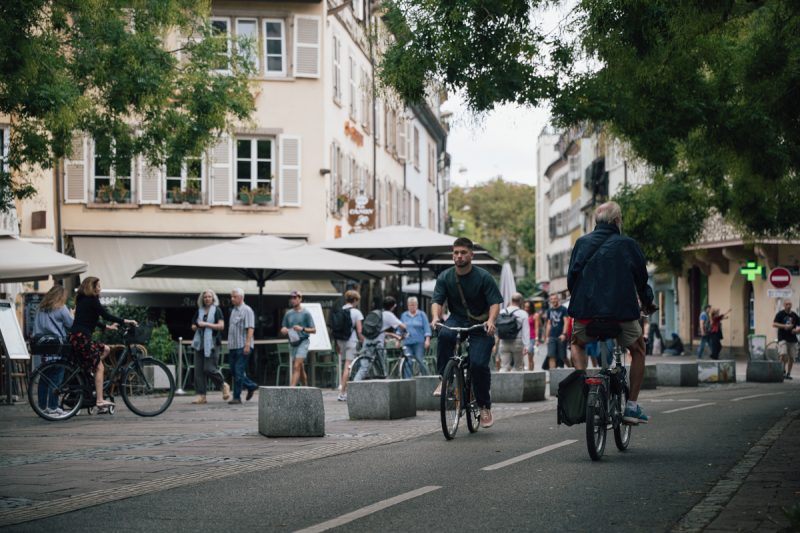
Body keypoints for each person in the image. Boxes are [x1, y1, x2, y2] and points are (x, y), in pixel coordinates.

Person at [566, 201, 655, 425]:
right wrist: (646, 303)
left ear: (596, 222)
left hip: (586, 313)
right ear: (617, 221)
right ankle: (632, 406)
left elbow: (572, 278)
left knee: (577, 343)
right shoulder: (628, 244)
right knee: (639, 350)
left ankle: (583, 384)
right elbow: (641, 280)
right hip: (622, 312)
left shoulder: (582, 243)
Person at [431, 237, 503, 428]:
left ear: (472, 254)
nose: (459, 256)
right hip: (457, 318)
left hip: (480, 323)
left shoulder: (483, 277)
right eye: (456, 253)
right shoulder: (445, 277)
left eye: (463, 253)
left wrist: (491, 321)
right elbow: (437, 301)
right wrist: (436, 318)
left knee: (479, 365)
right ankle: (444, 378)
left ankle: (484, 406)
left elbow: (495, 302)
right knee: (444, 334)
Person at [68, 277, 137, 409]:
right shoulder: (92, 300)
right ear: (92, 287)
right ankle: (99, 400)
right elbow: (106, 315)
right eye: (98, 286)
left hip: (76, 337)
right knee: (100, 367)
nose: (100, 288)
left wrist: (107, 327)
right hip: (82, 338)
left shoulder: (82, 300)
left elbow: (89, 319)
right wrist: (126, 321)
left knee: (106, 349)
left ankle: (89, 369)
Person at [32, 285, 74, 415]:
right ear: (61, 296)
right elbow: (71, 325)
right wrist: (72, 314)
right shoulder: (61, 308)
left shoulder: (40, 308)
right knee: (56, 377)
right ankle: (53, 406)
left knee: (44, 378)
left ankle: (42, 407)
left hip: (42, 348)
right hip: (56, 348)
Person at [190, 289, 231, 404]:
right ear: (202, 299)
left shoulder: (217, 310)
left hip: (212, 342)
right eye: (205, 297)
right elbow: (194, 324)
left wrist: (206, 324)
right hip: (199, 342)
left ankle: (223, 385)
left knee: (208, 368)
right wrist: (194, 327)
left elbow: (221, 326)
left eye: (209, 297)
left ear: (213, 299)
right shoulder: (199, 311)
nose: (207, 298)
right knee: (198, 370)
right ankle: (201, 395)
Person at [352, 296, 406, 381]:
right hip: (378, 343)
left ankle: (354, 385)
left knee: (364, 367)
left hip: (367, 339)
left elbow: (380, 330)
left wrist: (391, 334)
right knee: (383, 365)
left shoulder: (377, 313)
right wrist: (405, 334)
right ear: (393, 306)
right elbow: (403, 326)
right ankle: (384, 381)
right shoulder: (389, 315)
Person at [227, 288, 258, 404]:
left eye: (234, 296)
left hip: (243, 345)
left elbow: (251, 327)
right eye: (231, 296)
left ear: (241, 297)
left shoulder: (247, 310)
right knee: (233, 371)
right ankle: (251, 385)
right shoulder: (233, 310)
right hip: (233, 346)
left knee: (238, 371)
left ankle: (236, 397)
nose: (232, 299)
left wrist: (248, 344)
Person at [280, 289, 316, 387]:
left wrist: (302, 328)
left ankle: (291, 391)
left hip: (303, 341)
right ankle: (305, 388)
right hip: (292, 342)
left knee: (296, 366)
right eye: (291, 298)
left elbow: (314, 330)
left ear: (300, 298)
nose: (293, 300)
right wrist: (283, 330)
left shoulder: (306, 313)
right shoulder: (288, 313)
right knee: (300, 367)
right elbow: (284, 326)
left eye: (295, 298)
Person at [336, 289, 364, 401]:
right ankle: (342, 392)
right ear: (355, 300)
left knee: (344, 366)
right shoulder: (356, 312)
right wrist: (364, 341)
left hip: (340, 341)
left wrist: (336, 344)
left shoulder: (340, 310)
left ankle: (343, 389)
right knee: (348, 366)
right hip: (351, 341)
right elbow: (359, 330)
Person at [496, 293, 529, 372]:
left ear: (511, 300)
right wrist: (526, 346)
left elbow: (497, 328)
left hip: (503, 341)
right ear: (521, 301)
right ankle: (516, 384)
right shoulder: (523, 313)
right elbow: (525, 331)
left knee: (504, 366)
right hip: (517, 341)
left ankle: (502, 384)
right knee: (518, 367)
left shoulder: (502, 312)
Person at [400, 296, 431, 378]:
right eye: (410, 305)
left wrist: (427, 340)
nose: (412, 306)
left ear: (417, 305)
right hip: (407, 342)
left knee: (419, 360)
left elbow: (427, 328)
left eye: (414, 305)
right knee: (407, 361)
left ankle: (426, 377)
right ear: (408, 305)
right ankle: (408, 380)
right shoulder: (404, 315)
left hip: (419, 342)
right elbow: (400, 328)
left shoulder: (422, 314)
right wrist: (398, 339)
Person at [772, 299, 799, 379]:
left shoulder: (794, 315)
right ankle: (781, 370)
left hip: (792, 339)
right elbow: (774, 324)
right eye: (787, 304)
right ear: (784, 305)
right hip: (782, 338)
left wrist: (797, 330)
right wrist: (785, 326)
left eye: (790, 304)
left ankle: (788, 373)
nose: (788, 306)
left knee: (792, 357)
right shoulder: (780, 314)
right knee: (783, 354)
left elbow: (799, 325)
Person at [541, 294, 569, 369]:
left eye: (555, 299)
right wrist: (547, 337)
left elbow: (566, 322)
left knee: (563, 357)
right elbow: (549, 324)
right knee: (551, 355)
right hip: (552, 336)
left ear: (558, 299)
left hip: (561, 336)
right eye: (552, 299)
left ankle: (572, 369)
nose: (553, 300)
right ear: (550, 301)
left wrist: (564, 334)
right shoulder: (549, 310)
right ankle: (552, 375)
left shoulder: (563, 309)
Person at [524, 301, 539, 370]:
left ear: (531, 307)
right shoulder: (523, 314)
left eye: (528, 307)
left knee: (530, 356)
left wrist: (536, 339)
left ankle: (531, 372)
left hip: (531, 338)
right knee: (522, 355)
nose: (526, 308)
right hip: (524, 338)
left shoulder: (535, 315)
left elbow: (536, 328)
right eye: (525, 307)